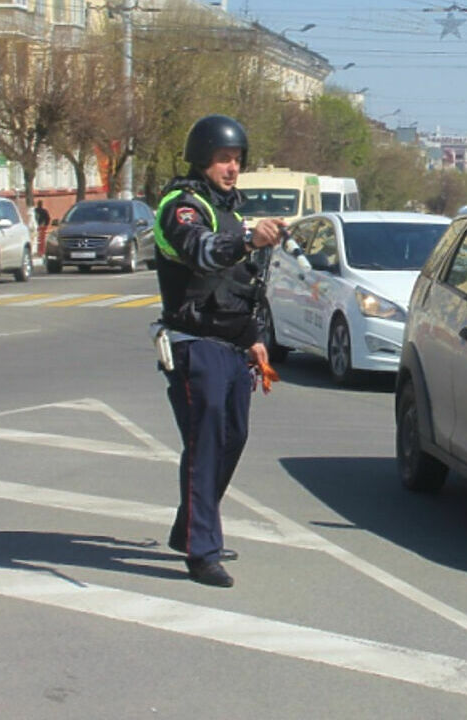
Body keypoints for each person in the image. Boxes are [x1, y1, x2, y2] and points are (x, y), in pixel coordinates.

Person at [152, 115, 287, 588]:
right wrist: (248, 239)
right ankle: (201, 550)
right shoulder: (182, 206)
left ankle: (191, 528)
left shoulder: (227, 208)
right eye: (223, 159)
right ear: (202, 158)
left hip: (232, 344)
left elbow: (234, 284)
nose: (232, 168)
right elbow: (200, 252)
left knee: (233, 437)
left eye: (237, 160)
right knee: (206, 443)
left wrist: (254, 338)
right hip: (195, 342)